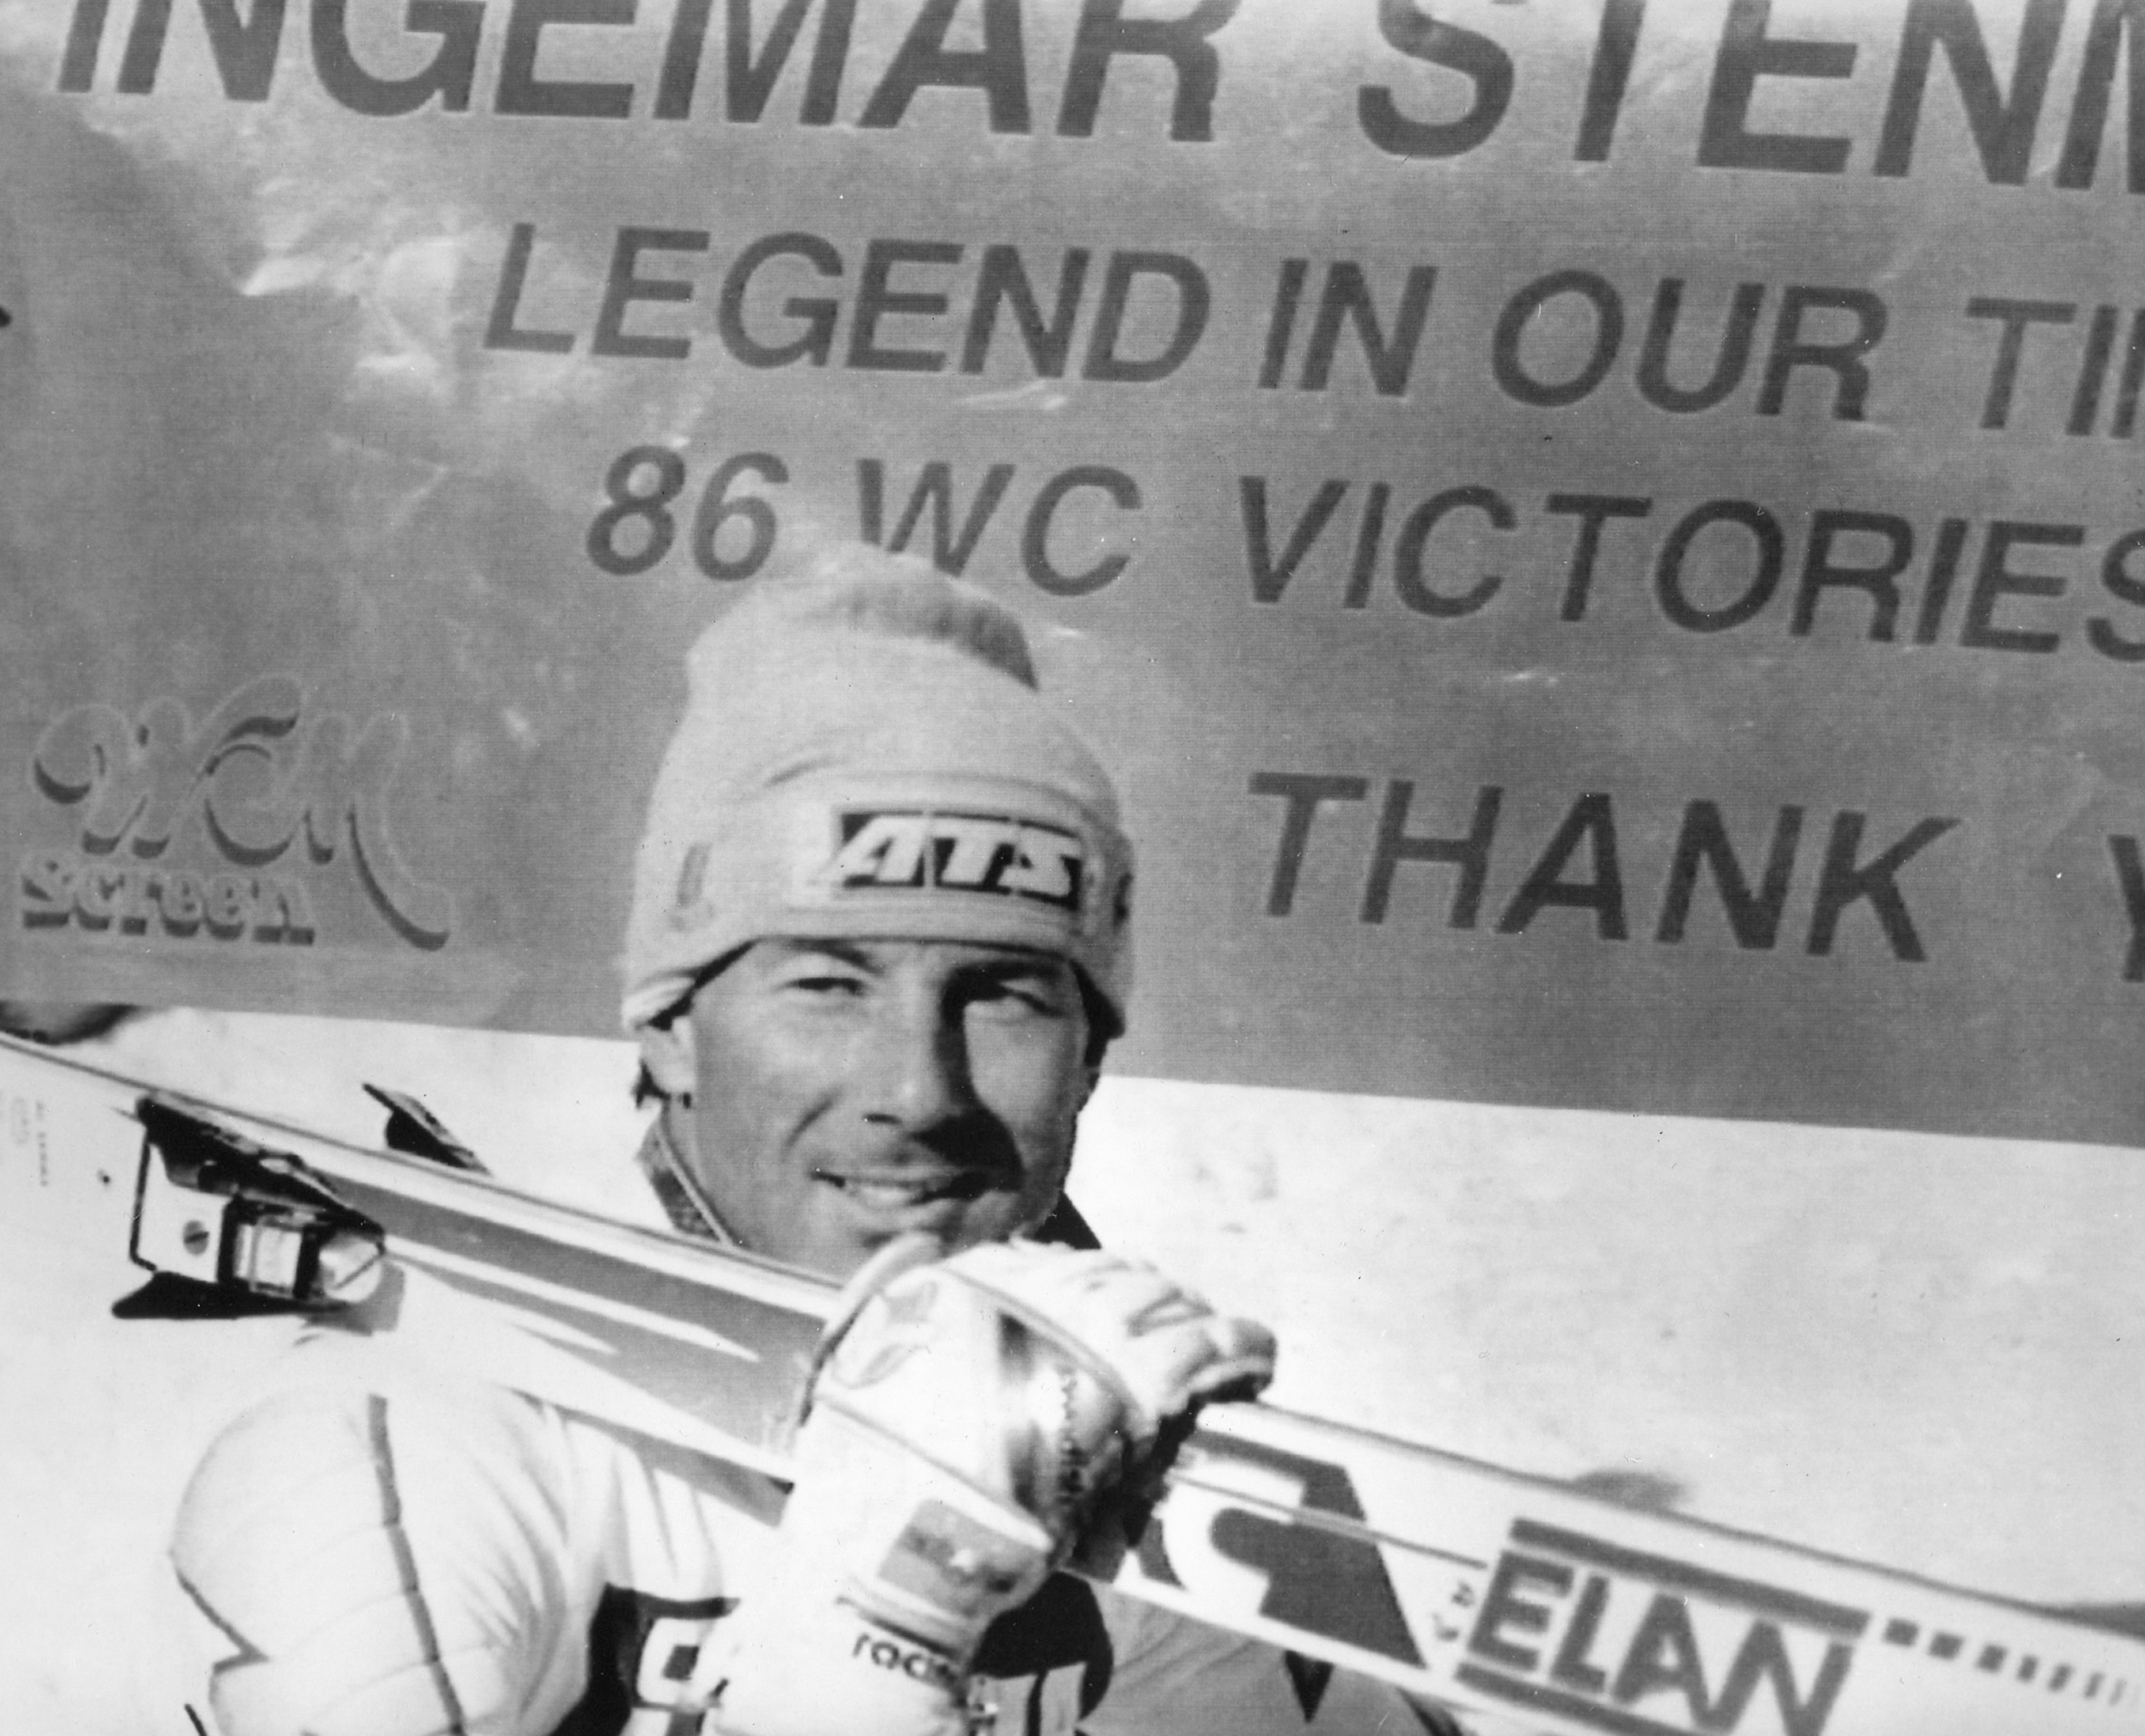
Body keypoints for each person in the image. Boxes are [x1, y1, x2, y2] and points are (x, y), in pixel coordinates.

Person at [163, 549, 1459, 1736]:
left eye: (1005, 993)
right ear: (672, 1026)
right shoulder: (405, 1452)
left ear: (1093, 1050)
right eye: (828, 984)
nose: (918, 1088)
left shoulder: (1170, 1452)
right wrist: (872, 1634)